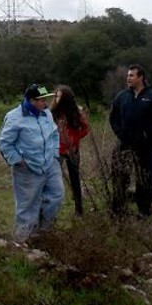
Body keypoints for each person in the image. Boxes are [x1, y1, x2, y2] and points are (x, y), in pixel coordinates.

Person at [0, 84, 65, 241]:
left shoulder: (46, 114)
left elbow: (55, 134)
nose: (46, 103)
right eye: (42, 100)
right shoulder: (14, 117)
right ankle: (24, 242)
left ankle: (45, 233)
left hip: (50, 164)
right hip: (27, 167)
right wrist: (18, 161)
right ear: (31, 100)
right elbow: (4, 143)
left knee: (57, 195)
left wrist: (55, 154)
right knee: (27, 206)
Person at [108, 64, 152, 217]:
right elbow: (113, 117)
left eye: (132, 75)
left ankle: (144, 210)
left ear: (141, 77)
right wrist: (120, 133)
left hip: (147, 145)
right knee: (120, 175)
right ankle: (119, 210)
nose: (128, 78)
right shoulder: (122, 96)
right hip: (125, 143)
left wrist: (147, 134)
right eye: (128, 75)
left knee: (144, 177)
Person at [51, 84, 91, 215]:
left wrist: (75, 139)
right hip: (57, 150)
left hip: (72, 150)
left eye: (60, 97)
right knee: (54, 179)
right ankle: (52, 209)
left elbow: (85, 128)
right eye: (56, 96)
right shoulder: (53, 112)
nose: (57, 99)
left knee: (75, 179)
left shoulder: (75, 112)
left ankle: (79, 209)